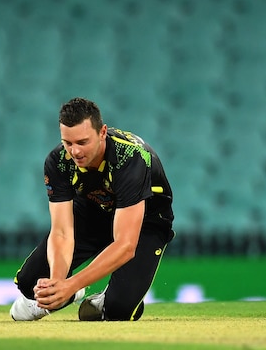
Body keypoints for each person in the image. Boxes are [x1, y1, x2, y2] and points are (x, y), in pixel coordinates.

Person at [10, 97, 174, 322]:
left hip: (147, 220)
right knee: (31, 283)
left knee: (118, 311)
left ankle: (103, 300)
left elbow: (125, 245)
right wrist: (58, 282)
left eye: (82, 142)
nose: (74, 151)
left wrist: (72, 283)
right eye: (68, 143)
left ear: (102, 132)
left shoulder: (130, 159)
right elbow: (61, 232)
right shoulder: (58, 161)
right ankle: (71, 294)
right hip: (94, 212)